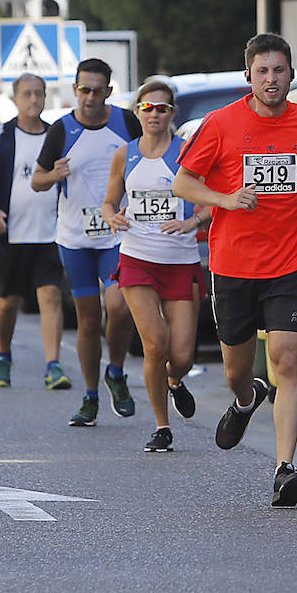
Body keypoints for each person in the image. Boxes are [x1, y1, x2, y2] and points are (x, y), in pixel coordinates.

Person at [173, 33, 297, 506]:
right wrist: (225, 199)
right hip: (235, 264)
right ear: (249, 76)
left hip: (292, 260)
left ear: (291, 74)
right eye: (262, 71)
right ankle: (246, 398)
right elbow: (183, 182)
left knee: (287, 358)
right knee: (235, 372)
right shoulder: (221, 124)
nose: (271, 80)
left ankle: (285, 468)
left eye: (279, 71)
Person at [31, 58, 140, 427]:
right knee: (89, 319)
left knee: (120, 307)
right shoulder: (61, 129)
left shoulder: (126, 123)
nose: (90, 97)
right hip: (75, 238)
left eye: (97, 90)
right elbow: (37, 181)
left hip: (117, 234)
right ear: (75, 90)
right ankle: (91, 396)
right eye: (83, 89)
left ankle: (118, 371)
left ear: (109, 91)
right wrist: (54, 174)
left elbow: (149, 158)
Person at [102, 80, 208, 452]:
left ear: (172, 114)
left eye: (162, 109)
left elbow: (210, 202)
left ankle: (175, 382)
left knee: (181, 356)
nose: (155, 115)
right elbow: (109, 202)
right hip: (137, 258)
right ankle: (162, 426)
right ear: (138, 112)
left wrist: (193, 222)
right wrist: (112, 217)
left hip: (180, 261)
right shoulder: (124, 154)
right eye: (148, 108)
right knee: (154, 344)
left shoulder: (186, 153)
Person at [0, 73, 74, 391]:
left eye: (38, 94)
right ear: (15, 98)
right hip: (11, 236)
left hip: (50, 233)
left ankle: (53, 364)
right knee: (8, 302)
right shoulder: (1, 135)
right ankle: (3, 355)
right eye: (27, 94)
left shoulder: (56, 136)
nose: (33, 100)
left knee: (51, 295)